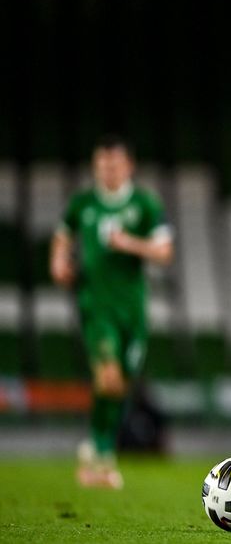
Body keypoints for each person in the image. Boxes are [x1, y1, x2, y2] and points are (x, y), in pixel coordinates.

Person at [50, 135, 174, 489]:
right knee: (107, 376)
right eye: (102, 165)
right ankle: (104, 455)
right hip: (96, 306)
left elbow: (164, 251)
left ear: (128, 166)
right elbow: (62, 235)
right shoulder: (83, 203)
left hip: (132, 310)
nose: (108, 171)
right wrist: (58, 261)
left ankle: (95, 444)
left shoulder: (145, 203)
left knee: (119, 385)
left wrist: (128, 243)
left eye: (114, 165)